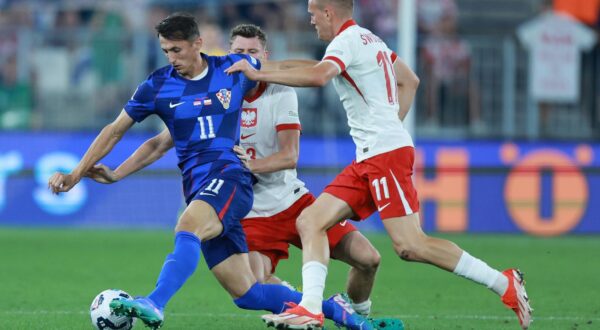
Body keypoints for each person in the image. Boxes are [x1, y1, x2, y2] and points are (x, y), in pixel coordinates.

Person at [48, 13, 374, 330]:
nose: (171, 57)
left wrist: (332, 68)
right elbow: (122, 132)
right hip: (199, 187)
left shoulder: (231, 70)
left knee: (186, 226)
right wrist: (91, 173)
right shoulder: (158, 85)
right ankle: (334, 308)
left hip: (230, 177)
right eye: (165, 50)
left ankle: (154, 302)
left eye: (176, 49)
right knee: (248, 293)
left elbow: (295, 69)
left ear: (198, 43)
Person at [225, 1, 533, 329]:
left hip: (383, 155)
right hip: (372, 154)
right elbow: (410, 80)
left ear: (329, 12)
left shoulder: (345, 42)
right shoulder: (370, 39)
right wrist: (389, 125)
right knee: (311, 220)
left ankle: (504, 283)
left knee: (410, 245)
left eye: (314, 14)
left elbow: (319, 76)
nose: (311, 21)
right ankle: (312, 309)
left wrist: (257, 72)